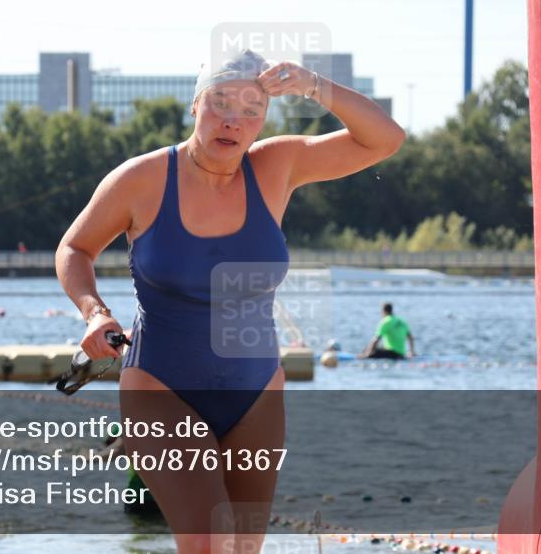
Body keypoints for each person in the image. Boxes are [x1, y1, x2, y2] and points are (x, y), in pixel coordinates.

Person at [56, 48, 405, 553]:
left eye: (250, 110)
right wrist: (94, 312)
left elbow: (385, 139)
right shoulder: (144, 179)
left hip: (257, 392)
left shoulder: (277, 167)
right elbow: (75, 247)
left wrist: (314, 86)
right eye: (220, 103)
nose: (232, 121)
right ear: (195, 105)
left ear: (263, 120)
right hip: (161, 387)